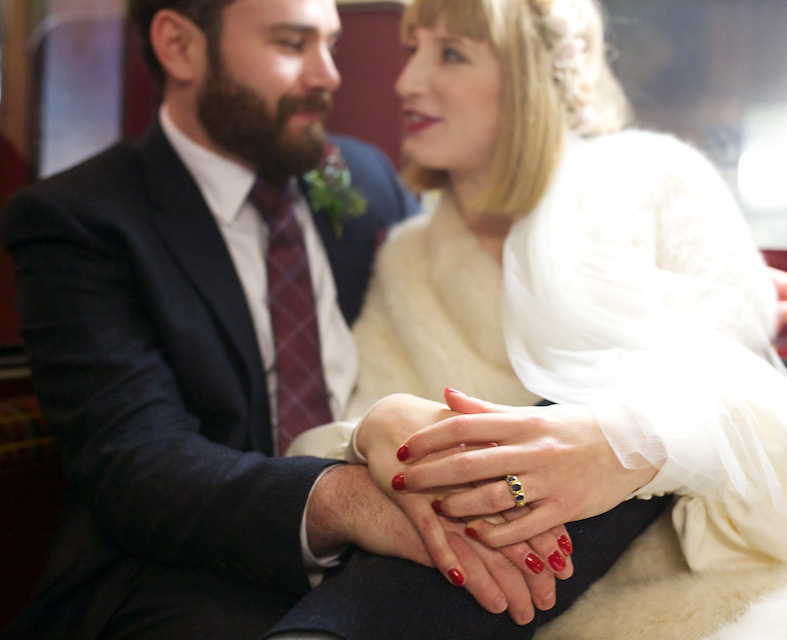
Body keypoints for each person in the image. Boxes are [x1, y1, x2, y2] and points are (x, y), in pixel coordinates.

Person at [0, 1, 683, 638]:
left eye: (329, 43)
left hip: (389, 557)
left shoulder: (363, 179)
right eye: (292, 44)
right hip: (175, 572)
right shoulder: (79, 219)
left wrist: (680, 279)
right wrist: (356, 503)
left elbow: (459, 304)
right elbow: (139, 468)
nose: (329, 74)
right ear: (180, 47)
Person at [309, 0, 787, 637]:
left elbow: (754, 411)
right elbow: (335, 440)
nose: (407, 81)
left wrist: (624, 442)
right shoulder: (408, 261)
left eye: (450, 53)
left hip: (729, 576)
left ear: (534, 73)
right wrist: (373, 429)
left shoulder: (659, 183)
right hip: (523, 606)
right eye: (412, 50)